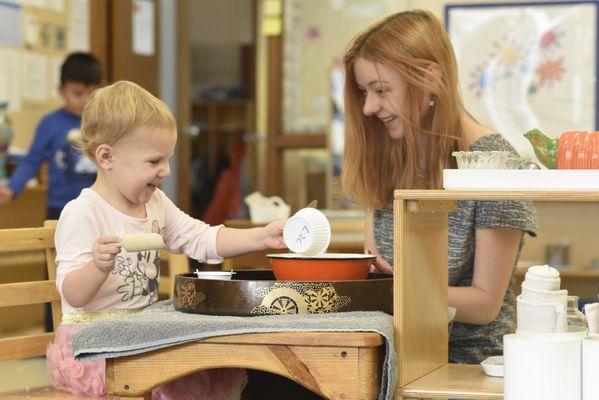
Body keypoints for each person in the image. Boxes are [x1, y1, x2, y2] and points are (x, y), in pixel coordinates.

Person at [46, 80, 286, 398]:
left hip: (141, 337)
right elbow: (73, 294)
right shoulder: (82, 213)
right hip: (96, 346)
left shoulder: (155, 203)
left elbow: (201, 238)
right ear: (106, 157)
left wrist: (260, 236)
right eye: (154, 162)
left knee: (204, 362)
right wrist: (98, 267)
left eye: (168, 159)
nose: (166, 171)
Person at [341, 10, 537, 364]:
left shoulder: (496, 163)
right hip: (396, 357)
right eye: (363, 92)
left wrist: (392, 291)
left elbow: (484, 305)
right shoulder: (389, 160)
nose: (369, 107)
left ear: (430, 78)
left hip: (469, 366)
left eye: (382, 90)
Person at [0, 52, 102, 220]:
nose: (85, 100)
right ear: (61, 90)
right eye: (77, 93)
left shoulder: (103, 123)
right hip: (59, 207)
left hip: (95, 206)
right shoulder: (50, 123)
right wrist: (12, 188)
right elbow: (32, 160)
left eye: (90, 93)